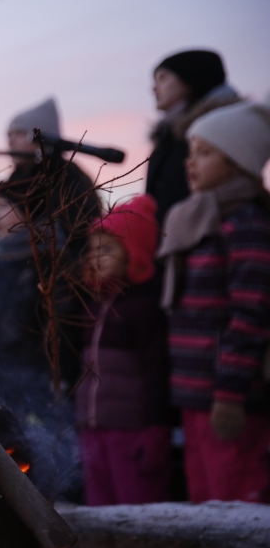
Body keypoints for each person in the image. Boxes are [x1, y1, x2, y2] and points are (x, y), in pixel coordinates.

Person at [157, 100, 270, 503]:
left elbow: (250, 317)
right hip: (193, 392)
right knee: (202, 502)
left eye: (204, 153)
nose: (191, 163)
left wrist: (229, 394)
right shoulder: (198, 219)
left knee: (235, 501)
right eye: (191, 152)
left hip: (230, 399)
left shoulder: (248, 227)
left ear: (239, 162)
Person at [0, 185, 79, 499]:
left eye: (3, 207)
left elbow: (62, 321)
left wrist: (55, 373)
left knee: (42, 447)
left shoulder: (49, 255)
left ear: (26, 210)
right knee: (3, 447)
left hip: (36, 373)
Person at [77, 194, 172, 505]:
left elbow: (157, 370)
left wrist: (155, 430)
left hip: (131, 432)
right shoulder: (94, 305)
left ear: (134, 253)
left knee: (136, 507)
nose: (96, 258)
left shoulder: (144, 307)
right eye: (93, 251)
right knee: (98, 506)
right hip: (94, 429)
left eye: (107, 250)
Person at [147, 50, 241, 227]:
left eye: (163, 78)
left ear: (190, 78)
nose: (154, 88)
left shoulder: (222, 133)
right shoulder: (167, 137)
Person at [6, 97, 102, 262]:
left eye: (20, 133)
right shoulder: (16, 179)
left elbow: (76, 233)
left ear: (40, 137)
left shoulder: (69, 177)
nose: (11, 141)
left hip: (64, 274)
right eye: (9, 134)